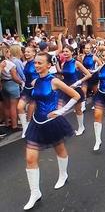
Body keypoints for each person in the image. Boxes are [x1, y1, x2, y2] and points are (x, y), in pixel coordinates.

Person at [23, 52, 80, 210]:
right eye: (35, 63)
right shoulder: (35, 81)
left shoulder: (55, 81)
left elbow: (75, 95)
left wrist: (61, 112)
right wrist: (28, 117)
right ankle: (35, 193)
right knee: (30, 158)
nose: (36, 65)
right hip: (36, 122)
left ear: (49, 65)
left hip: (52, 121)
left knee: (59, 149)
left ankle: (63, 174)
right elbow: (34, 101)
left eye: (40, 63)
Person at [0, 44, 24, 134]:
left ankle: (7, 123)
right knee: (14, 106)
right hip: (12, 84)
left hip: (4, 84)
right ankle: (14, 125)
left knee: (6, 106)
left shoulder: (1, 63)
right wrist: (21, 83)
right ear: (7, 52)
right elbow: (14, 77)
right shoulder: (10, 63)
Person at [18, 46, 39, 138]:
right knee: (19, 107)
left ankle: (29, 128)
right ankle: (25, 127)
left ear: (34, 53)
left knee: (31, 111)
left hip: (34, 89)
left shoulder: (36, 63)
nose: (26, 53)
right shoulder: (26, 63)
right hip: (26, 89)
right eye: (25, 52)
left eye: (28, 52)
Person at [80, 43, 103, 112]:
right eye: (85, 48)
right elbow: (81, 66)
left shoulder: (94, 57)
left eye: (88, 48)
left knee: (95, 91)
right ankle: (83, 106)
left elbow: (101, 65)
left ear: (91, 49)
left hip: (93, 76)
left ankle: (96, 103)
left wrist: (94, 71)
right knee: (83, 91)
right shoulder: (82, 56)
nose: (86, 49)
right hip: (85, 76)